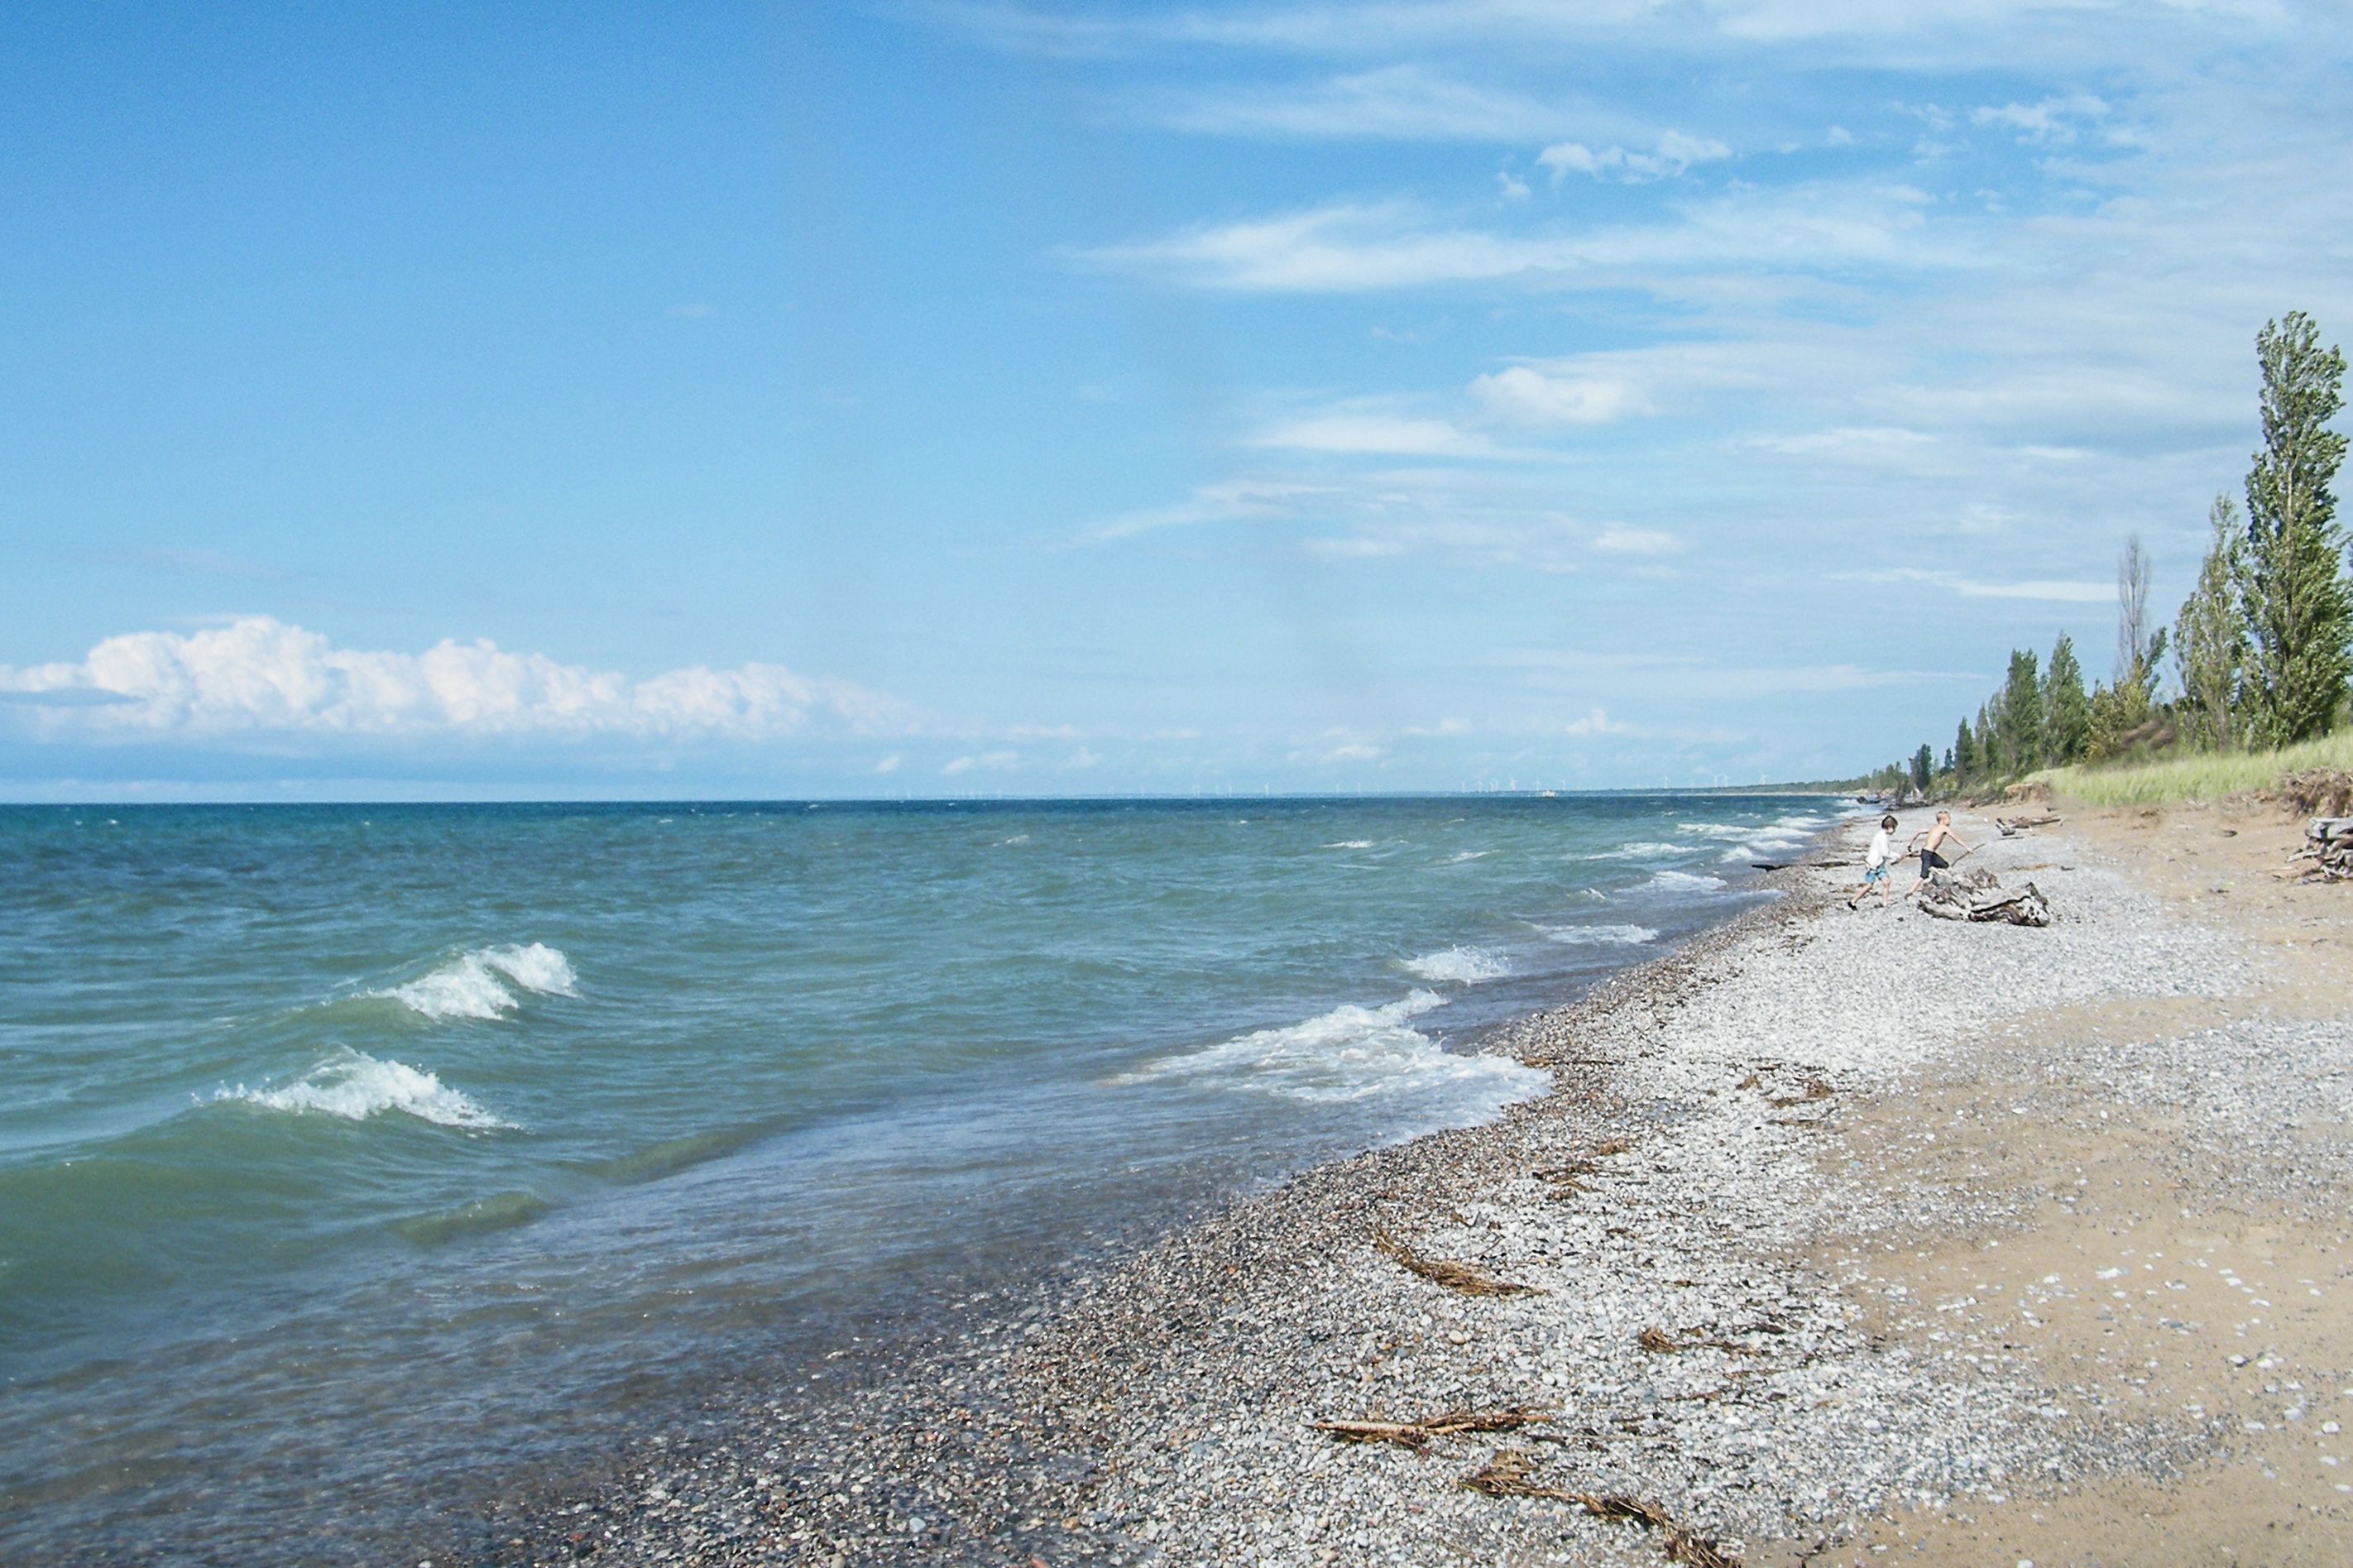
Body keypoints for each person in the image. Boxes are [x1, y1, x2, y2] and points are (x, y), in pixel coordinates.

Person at [1907, 809, 1975, 896]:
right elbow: (1956, 838)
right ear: (1943, 820)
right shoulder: (1944, 828)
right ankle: (1910, 892)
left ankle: (1936, 884)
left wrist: (1910, 843)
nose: (1950, 821)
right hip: (1928, 854)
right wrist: (1967, 848)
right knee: (1923, 875)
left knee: (1945, 866)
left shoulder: (1933, 828)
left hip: (1928, 853)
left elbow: (1919, 832)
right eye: (1949, 819)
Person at [1847, 814, 1900, 910]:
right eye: (1894, 828)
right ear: (1890, 827)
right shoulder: (1882, 837)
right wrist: (1896, 857)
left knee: (1886, 882)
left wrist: (1895, 857)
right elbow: (1885, 853)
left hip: (1879, 864)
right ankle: (1853, 901)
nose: (1895, 831)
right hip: (1873, 865)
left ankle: (1885, 903)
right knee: (1869, 885)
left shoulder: (1881, 835)